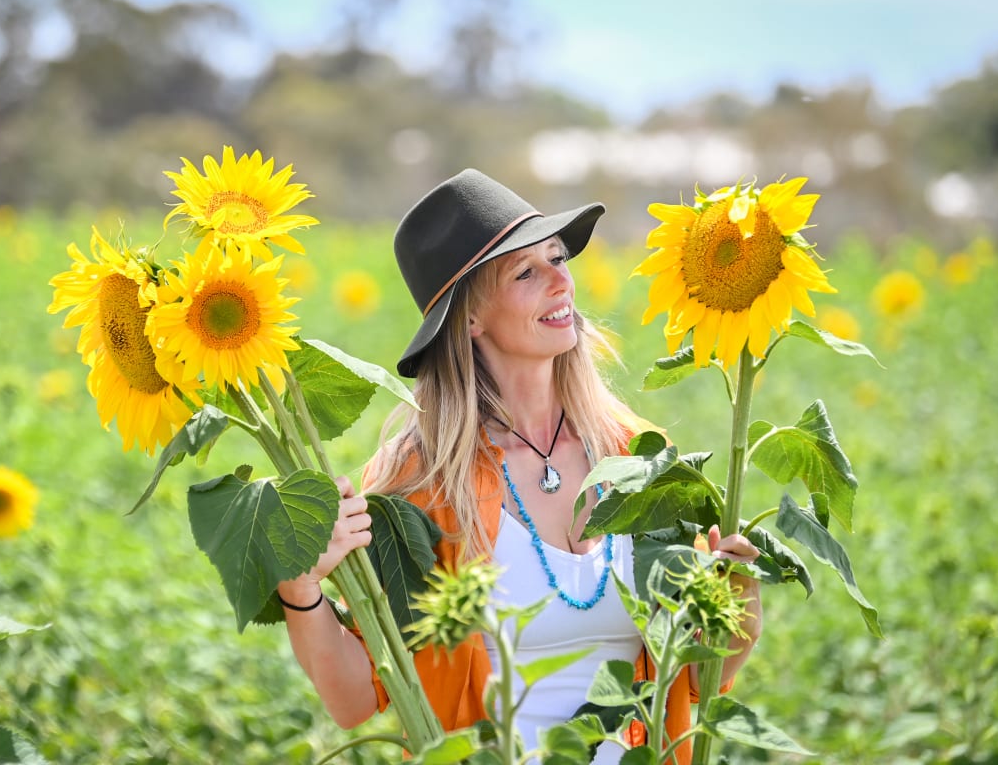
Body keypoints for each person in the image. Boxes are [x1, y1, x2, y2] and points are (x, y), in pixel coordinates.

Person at [276, 169, 763, 764]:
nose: (561, 280)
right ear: (470, 318)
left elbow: (696, 675)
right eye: (526, 272)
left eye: (558, 258)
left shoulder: (639, 456)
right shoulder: (422, 486)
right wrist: (301, 587)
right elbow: (356, 700)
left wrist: (739, 603)